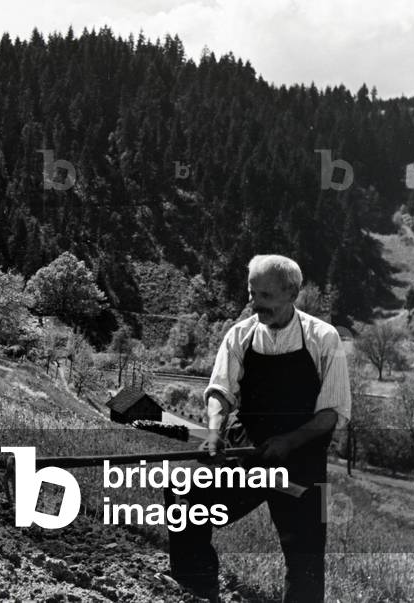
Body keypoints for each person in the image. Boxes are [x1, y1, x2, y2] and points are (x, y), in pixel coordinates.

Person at [164, 254, 351, 602]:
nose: (253, 304)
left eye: (264, 296)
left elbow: (332, 413)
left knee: (306, 558)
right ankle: (198, 589)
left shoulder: (323, 339)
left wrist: (290, 440)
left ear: (292, 293)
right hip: (245, 453)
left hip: (304, 466)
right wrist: (215, 429)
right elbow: (220, 390)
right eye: (251, 293)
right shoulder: (241, 335)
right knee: (183, 492)